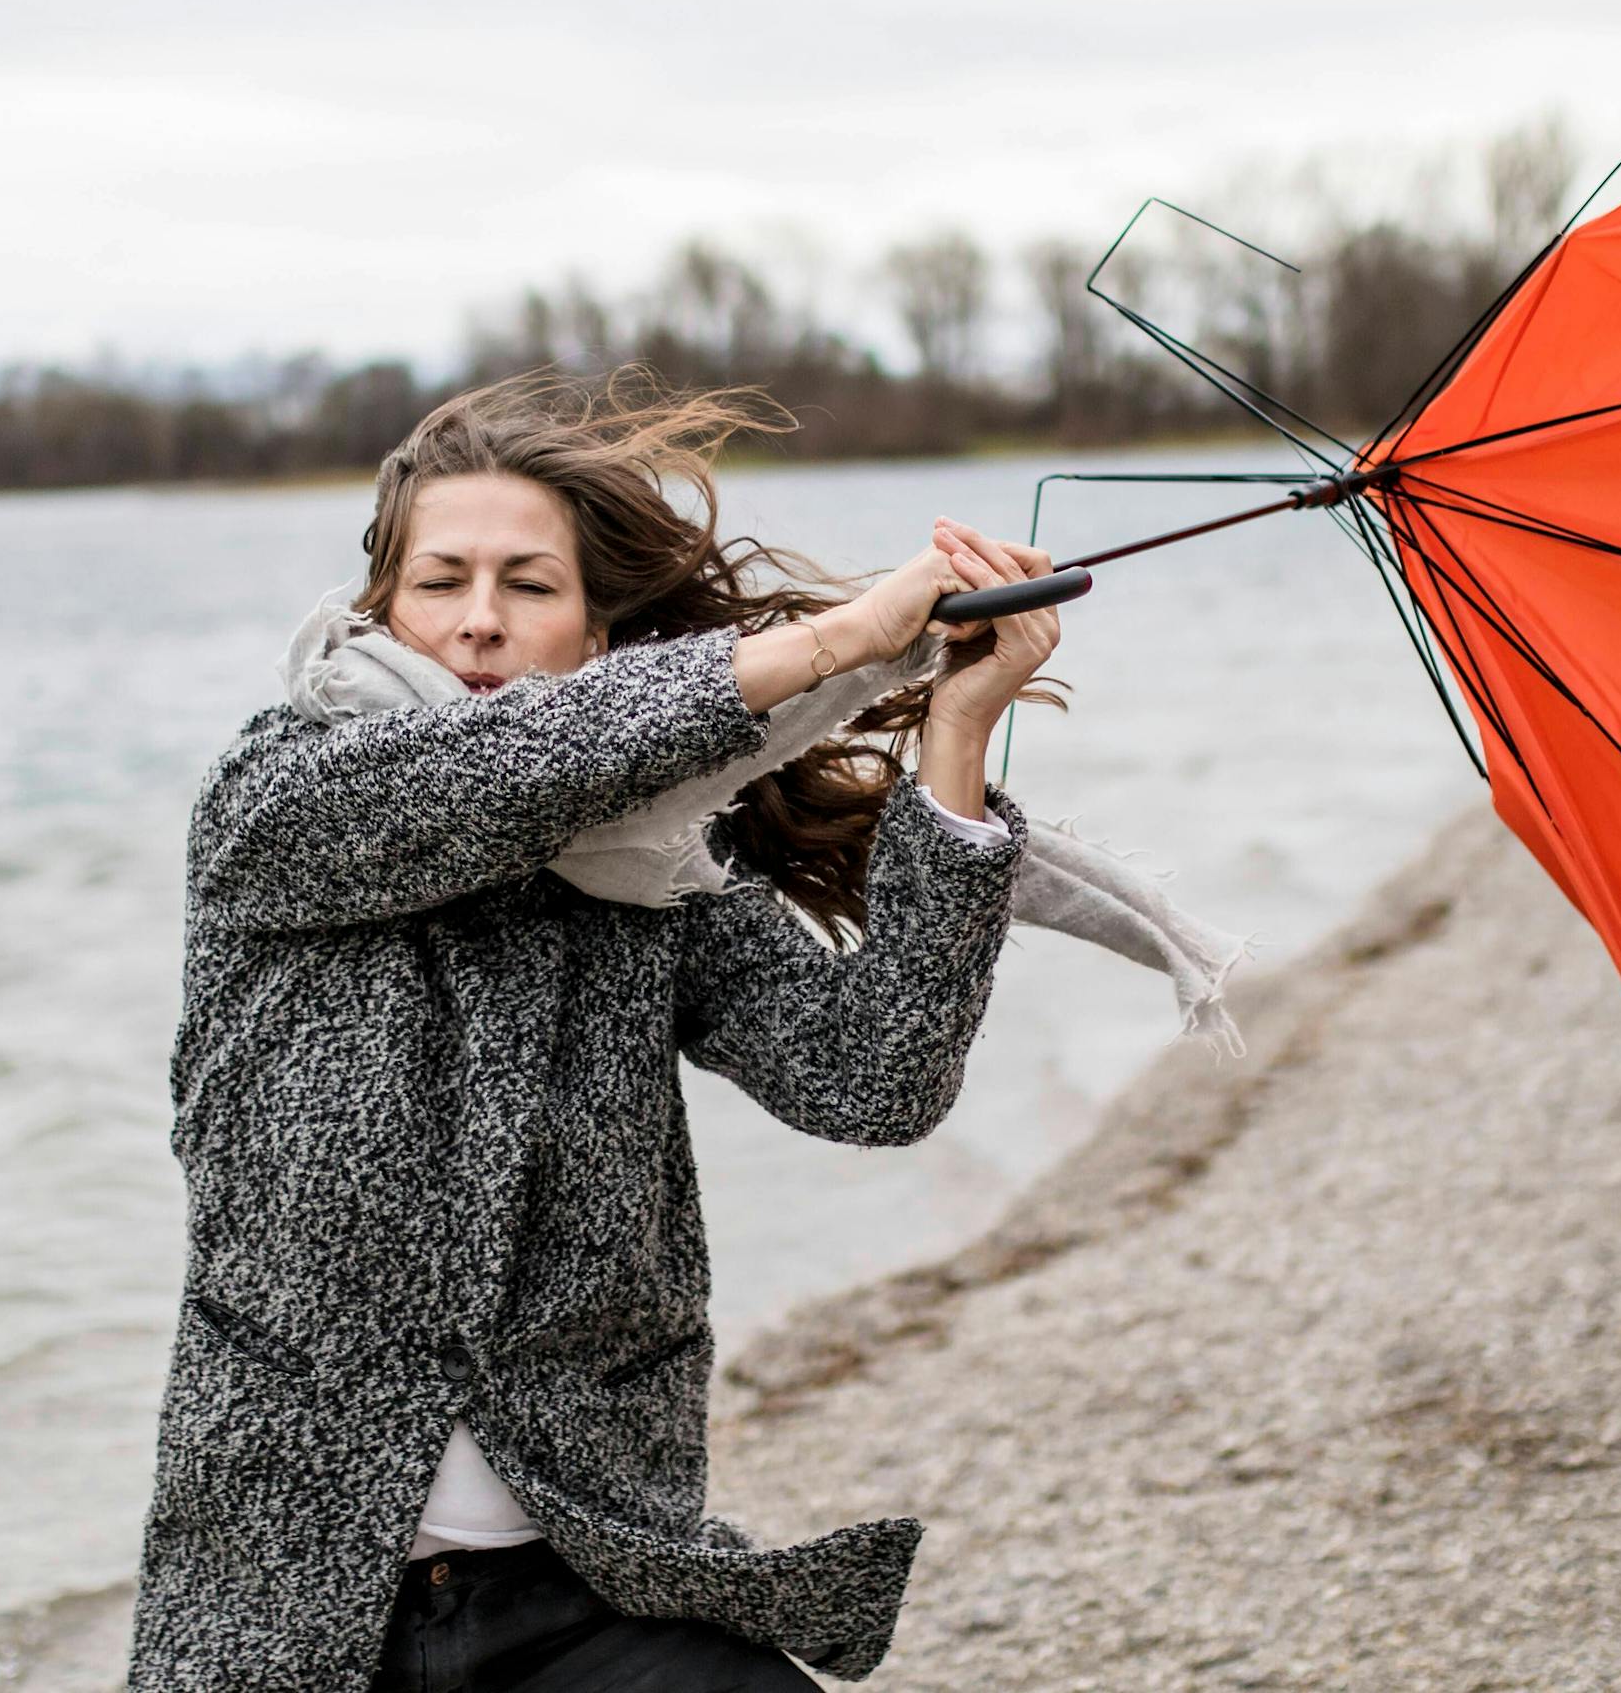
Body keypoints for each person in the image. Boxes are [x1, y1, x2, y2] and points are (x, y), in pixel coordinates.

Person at [125, 369, 1062, 1691]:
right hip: (290, 1605)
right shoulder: (277, 802)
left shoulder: (664, 867)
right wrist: (838, 643)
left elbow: (873, 1079)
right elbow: (503, 772)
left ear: (600, 636)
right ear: (377, 607)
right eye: (441, 580)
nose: (480, 623)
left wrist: (953, 747)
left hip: (591, 1579)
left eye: (529, 585)